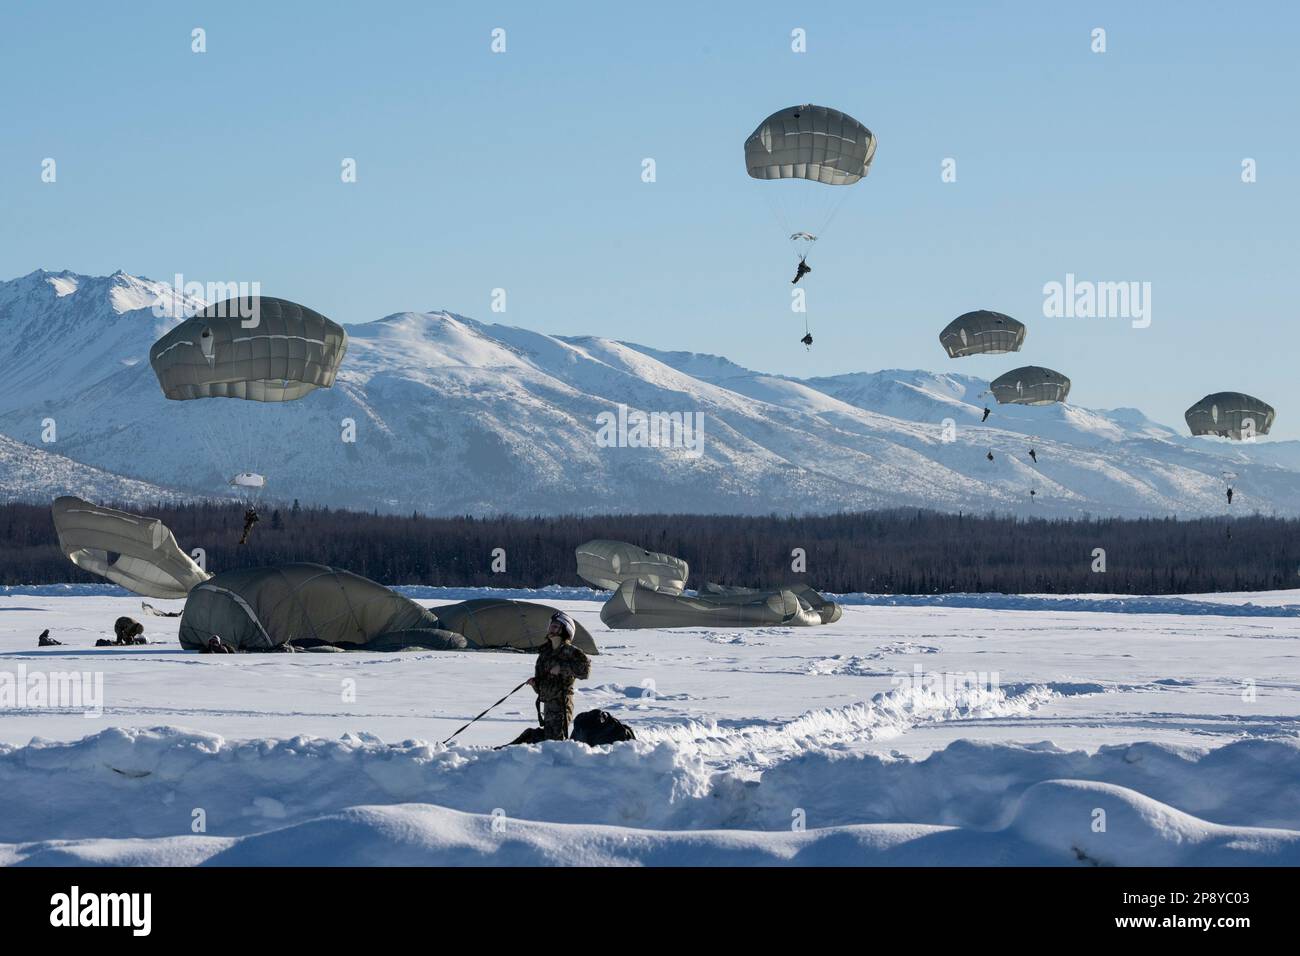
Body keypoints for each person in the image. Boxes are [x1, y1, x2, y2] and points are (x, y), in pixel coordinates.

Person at [527, 611, 591, 741]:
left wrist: (562, 668)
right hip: (548, 706)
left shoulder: (571, 652)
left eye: (555, 626)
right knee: (548, 742)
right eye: (551, 626)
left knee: (557, 742)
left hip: (562, 705)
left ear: (565, 630)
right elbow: (542, 685)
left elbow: (585, 671)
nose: (551, 629)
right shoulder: (545, 653)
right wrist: (535, 684)